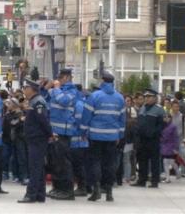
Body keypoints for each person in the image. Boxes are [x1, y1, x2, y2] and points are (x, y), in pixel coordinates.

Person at [81, 71, 125, 202]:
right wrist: (120, 135)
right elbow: (122, 119)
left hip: (95, 136)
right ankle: (109, 191)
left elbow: (86, 116)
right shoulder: (120, 98)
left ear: (102, 81)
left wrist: (83, 132)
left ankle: (97, 189)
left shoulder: (95, 96)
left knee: (95, 162)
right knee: (110, 164)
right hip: (112, 137)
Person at [18, 79, 52, 204]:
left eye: (25, 88)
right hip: (35, 138)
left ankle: (31, 194)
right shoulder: (34, 101)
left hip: (37, 139)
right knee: (39, 167)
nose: (24, 91)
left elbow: (43, 120)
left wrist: (50, 134)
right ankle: (39, 194)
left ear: (31, 89)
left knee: (35, 167)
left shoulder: (38, 102)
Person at [47, 69, 78, 200]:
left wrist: (57, 89)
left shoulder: (72, 91)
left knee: (64, 163)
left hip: (64, 132)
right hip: (54, 131)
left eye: (60, 77)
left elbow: (64, 101)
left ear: (66, 77)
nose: (58, 79)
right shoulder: (56, 89)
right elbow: (45, 100)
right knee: (55, 162)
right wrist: (45, 88)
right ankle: (58, 187)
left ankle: (67, 190)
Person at [132, 88, 165, 188]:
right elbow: (139, 123)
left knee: (154, 161)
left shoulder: (159, 110)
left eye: (149, 97)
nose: (147, 99)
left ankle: (155, 181)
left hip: (153, 140)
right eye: (146, 97)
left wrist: (153, 133)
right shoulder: (142, 108)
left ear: (155, 98)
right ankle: (142, 180)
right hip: (142, 140)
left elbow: (161, 125)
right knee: (142, 160)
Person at [160, 114, 180, 183]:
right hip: (164, 146)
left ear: (170, 118)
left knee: (171, 161)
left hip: (171, 146)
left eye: (167, 117)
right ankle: (167, 178)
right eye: (164, 117)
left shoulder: (173, 127)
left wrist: (176, 148)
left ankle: (177, 171)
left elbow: (176, 137)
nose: (166, 118)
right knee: (165, 161)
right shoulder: (162, 126)